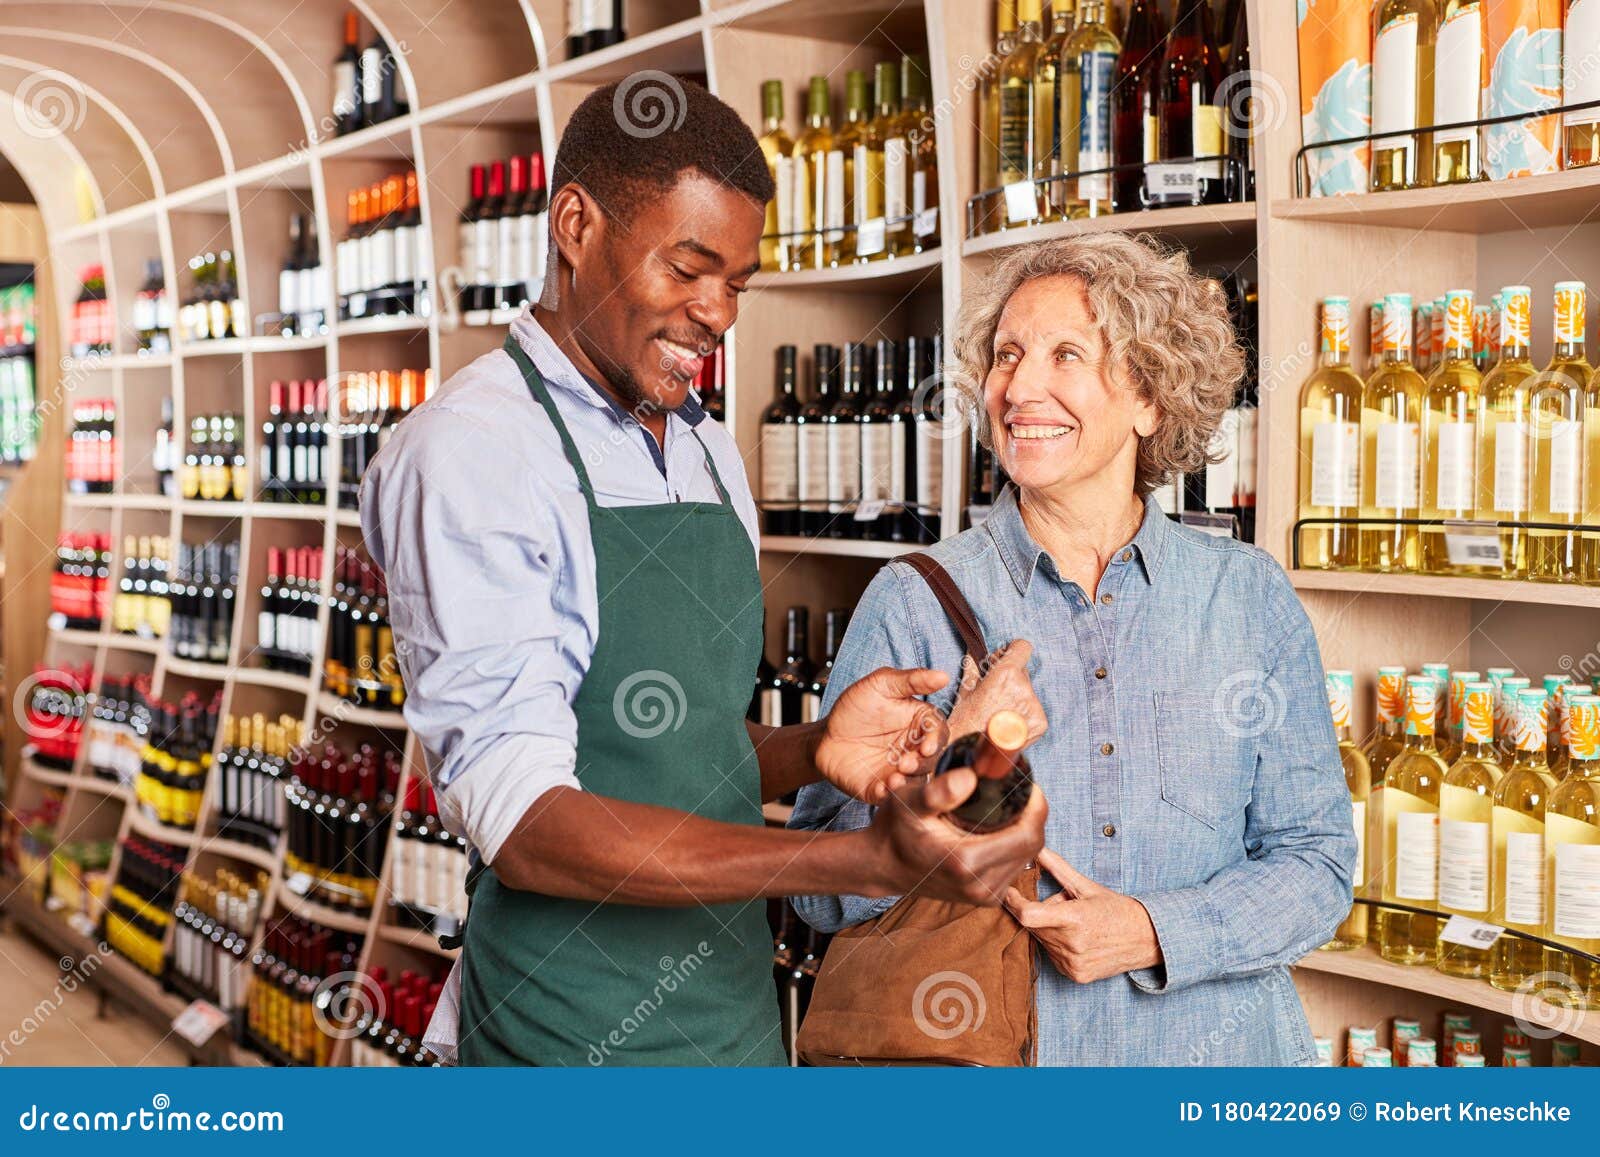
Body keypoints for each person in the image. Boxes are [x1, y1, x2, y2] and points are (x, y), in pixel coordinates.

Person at [359, 79, 1044, 1067]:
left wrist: (812, 746)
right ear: (574, 224)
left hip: (732, 1009)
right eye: (689, 267)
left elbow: (667, 741)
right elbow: (525, 822)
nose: (717, 311)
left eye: (739, 283)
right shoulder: (473, 451)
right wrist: (857, 854)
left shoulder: (705, 446)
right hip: (567, 1028)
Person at [790, 233, 1356, 1066]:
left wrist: (1154, 930)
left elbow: (1318, 864)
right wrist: (953, 764)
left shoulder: (1247, 597)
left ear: (1150, 399)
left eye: (1066, 355)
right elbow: (813, 886)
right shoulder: (915, 598)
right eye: (1007, 355)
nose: (1020, 387)